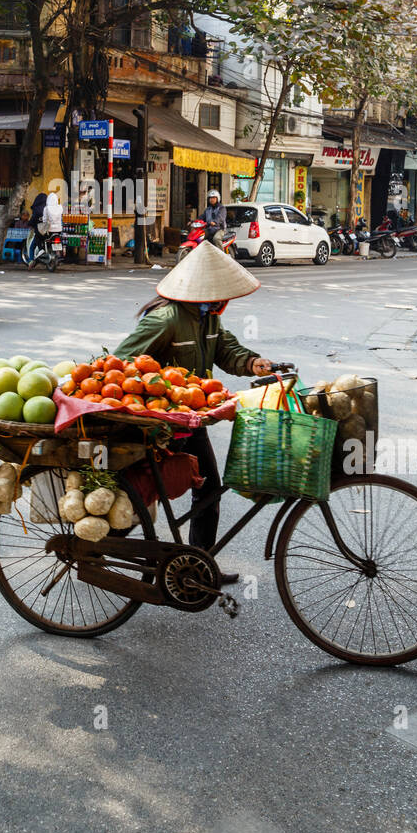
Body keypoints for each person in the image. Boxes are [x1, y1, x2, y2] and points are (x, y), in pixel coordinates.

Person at [113, 240, 273, 579]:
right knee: (143, 496)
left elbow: (226, 350)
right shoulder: (166, 319)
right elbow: (120, 362)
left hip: (192, 420)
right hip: (161, 424)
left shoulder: (207, 318)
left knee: (209, 488)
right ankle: (100, 545)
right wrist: (163, 386)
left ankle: (199, 565)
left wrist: (253, 362)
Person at [27, 190, 48, 264]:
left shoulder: (36, 210)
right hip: (49, 232)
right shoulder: (48, 209)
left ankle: (31, 261)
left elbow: (33, 220)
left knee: (32, 246)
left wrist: (29, 224)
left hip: (39, 232)